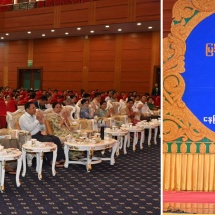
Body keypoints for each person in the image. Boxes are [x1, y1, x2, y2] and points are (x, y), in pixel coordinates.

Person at [19, 102, 65, 167]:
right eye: (33, 108)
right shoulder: (23, 118)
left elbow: (41, 128)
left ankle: (60, 158)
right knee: (48, 139)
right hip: (31, 137)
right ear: (27, 109)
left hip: (39, 134)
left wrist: (41, 123)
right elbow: (29, 129)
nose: (35, 109)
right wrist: (37, 120)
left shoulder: (34, 116)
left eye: (35, 107)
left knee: (55, 138)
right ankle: (51, 161)